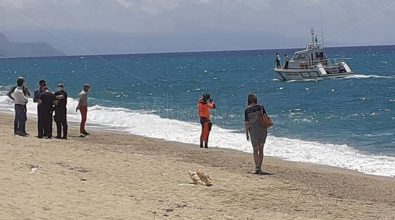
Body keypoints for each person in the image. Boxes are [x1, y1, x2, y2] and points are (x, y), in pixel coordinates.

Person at [245, 94, 268, 175]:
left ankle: (257, 168)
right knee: (261, 149)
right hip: (263, 129)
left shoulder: (247, 110)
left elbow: (247, 123)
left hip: (253, 131)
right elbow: (266, 117)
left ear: (249, 100)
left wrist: (246, 133)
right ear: (255, 99)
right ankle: (260, 168)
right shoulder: (260, 107)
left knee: (255, 149)